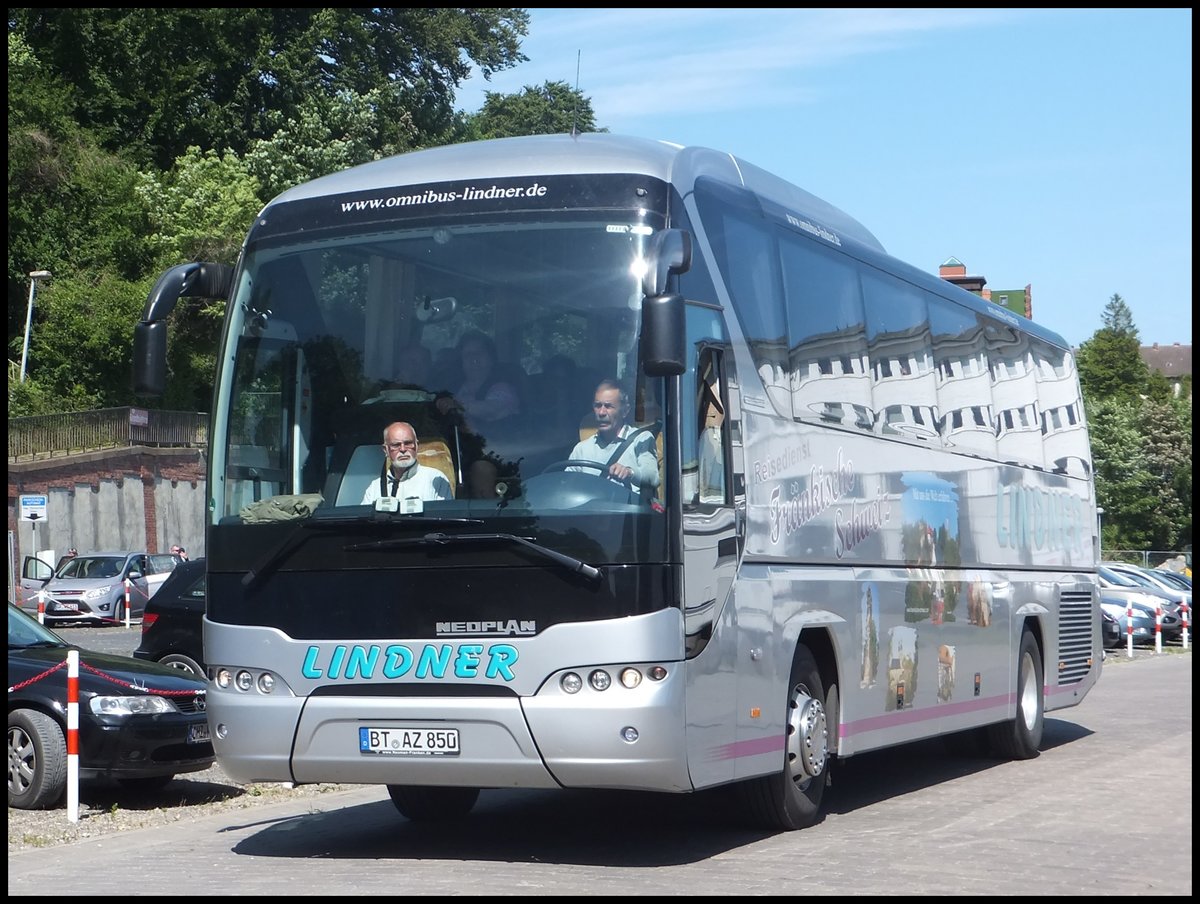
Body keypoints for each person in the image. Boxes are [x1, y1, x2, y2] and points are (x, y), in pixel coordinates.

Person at [566, 379, 660, 499]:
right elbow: (567, 486)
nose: (601, 412)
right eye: (598, 406)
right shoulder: (581, 449)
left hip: (628, 509)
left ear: (625, 411)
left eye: (608, 406)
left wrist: (629, 472)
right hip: (591, 509)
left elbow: (653, 478)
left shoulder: (641, 439)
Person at [361, 421, 453, 505]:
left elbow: (445, 516)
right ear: (386, 450)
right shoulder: (374, 488)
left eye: (408, 443)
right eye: (396, 445)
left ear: (417, 446)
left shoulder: (435, 480)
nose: (403, 449)